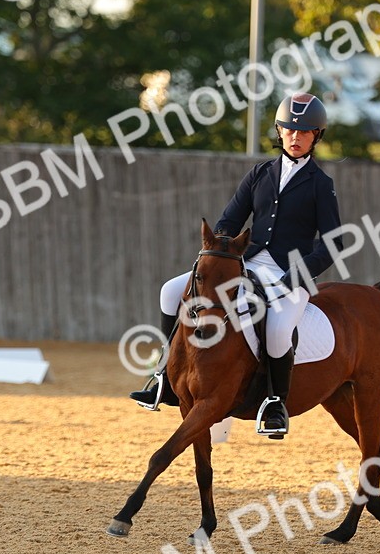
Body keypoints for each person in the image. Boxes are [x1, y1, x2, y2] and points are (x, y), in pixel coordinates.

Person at [130, 91, 343, 437]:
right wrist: (223, 249)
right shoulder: (260, 173)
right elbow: (229, 220)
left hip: (288, 273)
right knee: (171, 292)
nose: (296, 137)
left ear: (316, 136)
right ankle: (163, 377)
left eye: (304, 132)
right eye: (290, 129)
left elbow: (334, 243)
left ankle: (275, 403)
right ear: (279, 131)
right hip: (244, 263)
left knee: (275, 329)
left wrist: (298, 275)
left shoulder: (321, 184)